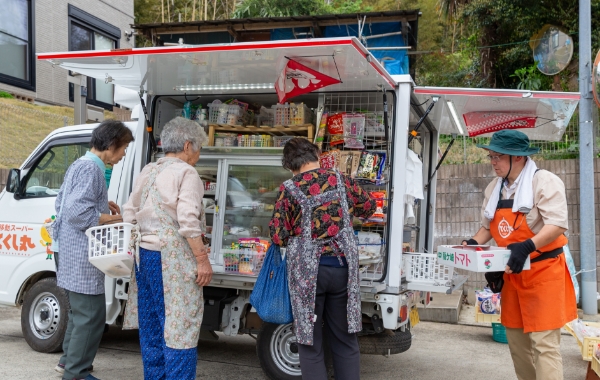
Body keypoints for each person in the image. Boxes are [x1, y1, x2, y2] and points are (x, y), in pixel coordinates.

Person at [462, 129, 577, 380]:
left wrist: (527, 246)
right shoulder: (495, 188)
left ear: (519, 157)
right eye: (491, 156)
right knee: (516, 342)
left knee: (544, 344)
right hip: (513, 274)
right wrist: (471, 244)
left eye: (498, 157)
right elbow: (487, 227)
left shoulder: (543, 181)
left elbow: (556, 224)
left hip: (543, 272)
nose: (493, 162)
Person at [269, 138, 376, 380]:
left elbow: (277, 234)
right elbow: (368, 206)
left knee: (310, 343)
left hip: (308, 276)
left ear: (289, 164)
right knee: (345, 340)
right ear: (316, 155)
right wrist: (345, 212)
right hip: (341, 270)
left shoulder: (289, 189)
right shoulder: (339, 180)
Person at [122, 117, 212, 380]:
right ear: (187, 146)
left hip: (145, 257)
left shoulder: (149, 170)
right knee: (179, 328)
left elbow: (129, 213)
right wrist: (202, 259)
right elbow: (187, 219)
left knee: (151, 327)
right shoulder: (186, 173)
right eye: (198, 149)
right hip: (173, 261)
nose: (197, 155)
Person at [54, 120, 134, 380]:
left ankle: (68, 363)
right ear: (110, 146)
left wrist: (102, 205)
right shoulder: (92, 170)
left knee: (80, 314)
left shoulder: (81, 163)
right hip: (81, 254)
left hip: (69, 250)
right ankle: (76, 372)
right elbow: (77, 213)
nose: (123, 155)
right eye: (123, 149)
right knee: (91, 315)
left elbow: (63, 203)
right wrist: (113, 219)